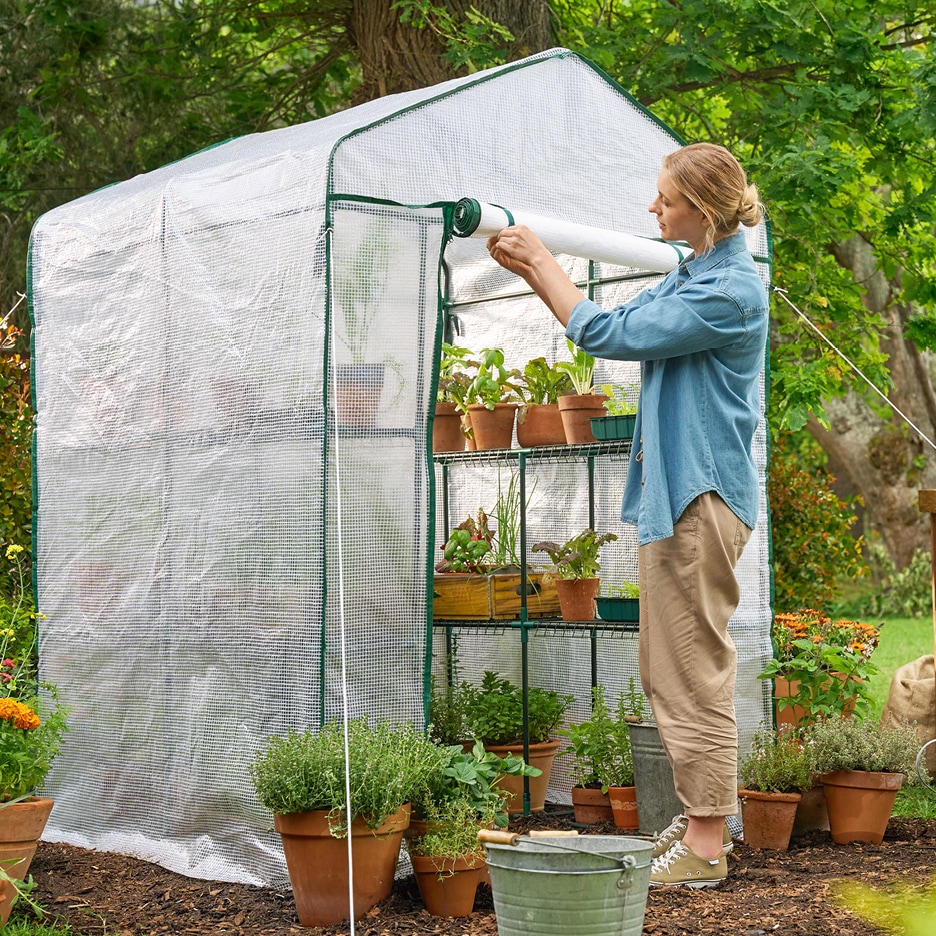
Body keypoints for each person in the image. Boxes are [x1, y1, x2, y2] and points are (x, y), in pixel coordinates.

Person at [487, 142, 769, 888]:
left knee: (689, 670)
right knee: (665, 668)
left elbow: (604, 336)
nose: (653, 208)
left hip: (700, 500)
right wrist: (536, 273)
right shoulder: (692, 274)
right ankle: (701, 821)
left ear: (700, 209)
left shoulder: (730, 292)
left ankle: (706, 844)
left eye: (665, 199)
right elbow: (609, 318)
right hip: (679, 498)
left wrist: (543, 261)